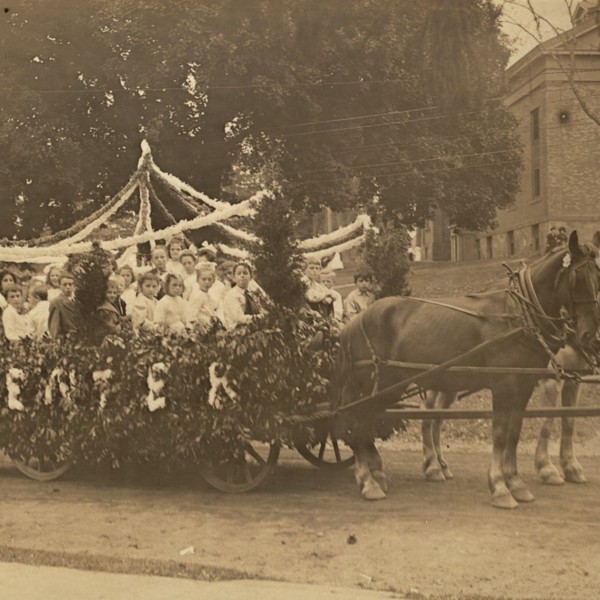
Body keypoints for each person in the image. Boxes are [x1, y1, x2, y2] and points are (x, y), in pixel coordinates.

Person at [222, 261, 263, 330]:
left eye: (245, 273)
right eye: (238, 273)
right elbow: (238, 318)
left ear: (251, 276)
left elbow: (260, 309)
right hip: (236, 332)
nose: (242, 276)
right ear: (234, 277)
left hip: (253, 328)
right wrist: (259, 317)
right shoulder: (232, 295)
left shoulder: (252, 293)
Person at [48, 271, 79, 339]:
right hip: (68, 341)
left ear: (74, 286)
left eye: (70, 284)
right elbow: (54, 329)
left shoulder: (79, 300)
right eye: (64, 284)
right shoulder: (56, 302)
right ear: (59, 286)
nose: (68, 287)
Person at [187, 263, 217, 329]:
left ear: (213, 281)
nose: (207, 282)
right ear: (197, 280)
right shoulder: (197, 295)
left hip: (208, 326)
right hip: (201, 328)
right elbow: (192, 316)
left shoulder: (207, 294)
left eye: (209, 279)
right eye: (203, 279)